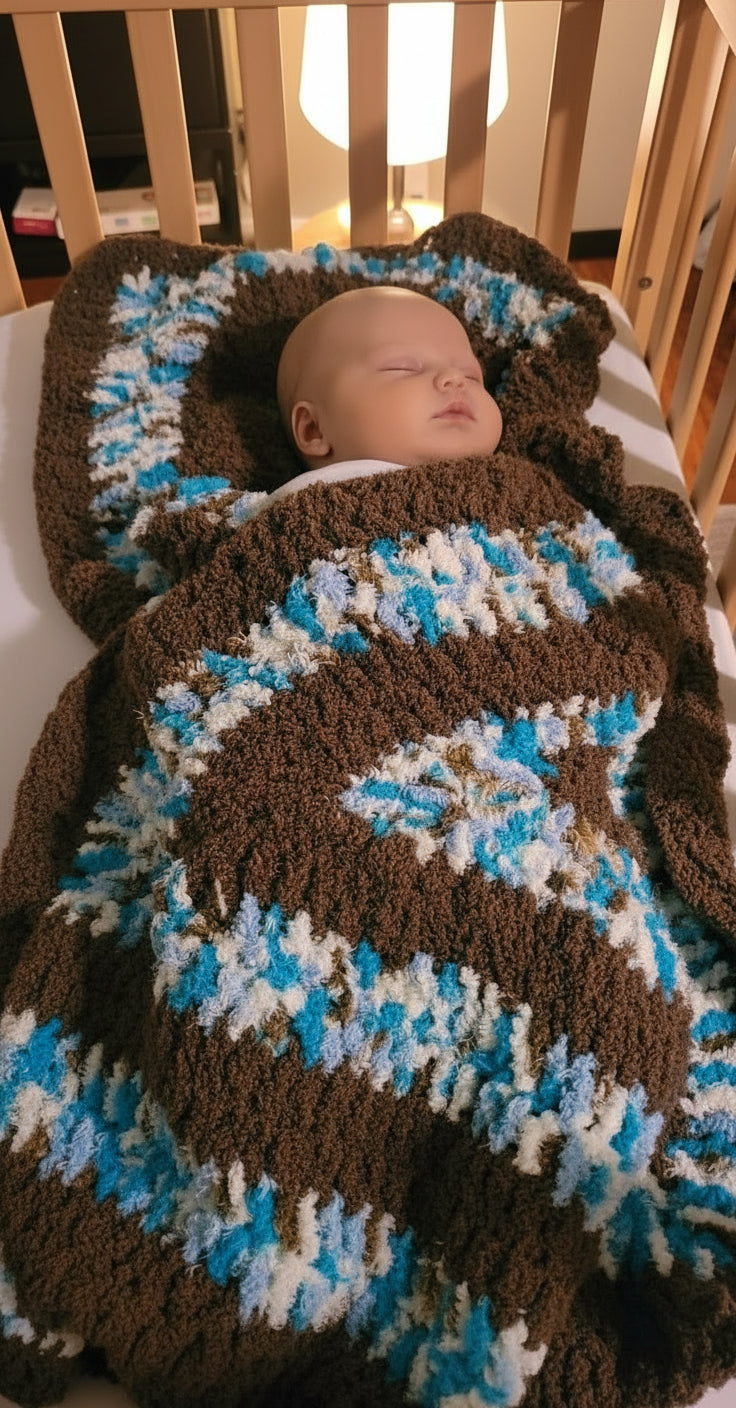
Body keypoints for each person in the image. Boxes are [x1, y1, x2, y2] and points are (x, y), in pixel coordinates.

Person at [276, 285, 503, 474]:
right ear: (314, 429)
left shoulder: (520, 488)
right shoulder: (294, 515)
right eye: (402, 368)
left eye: (472, 376)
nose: (455, 378)